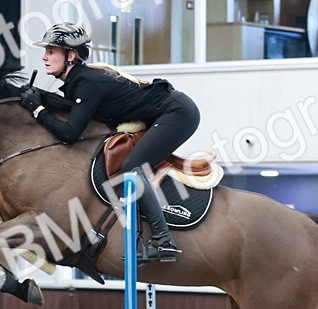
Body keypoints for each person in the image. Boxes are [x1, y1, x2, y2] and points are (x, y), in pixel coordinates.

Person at [19, 22, 200, 262]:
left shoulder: (87, 82)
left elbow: (71, 133)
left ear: (70, 55)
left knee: (131, 167)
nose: (44, 57)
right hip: (165, 111)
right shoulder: (79, 80)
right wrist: (40, 98)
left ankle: (163, 240)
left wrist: (37, 109)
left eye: (50, 51)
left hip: (178, 113)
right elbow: (74, 110)